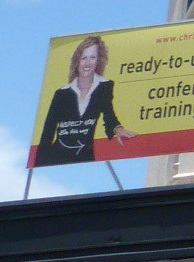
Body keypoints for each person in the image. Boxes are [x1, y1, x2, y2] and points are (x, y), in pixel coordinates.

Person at [35, 35, 134, 166]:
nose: (87, 63)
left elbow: (109, 114)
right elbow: (48, 131)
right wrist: (39, 162)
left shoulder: (104, 87)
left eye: (92, 57)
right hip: (57, 155)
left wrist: (118, 129)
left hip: (85, 154)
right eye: (83, 58)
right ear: (77, 61)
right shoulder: (61, 94)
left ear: (98, 60)